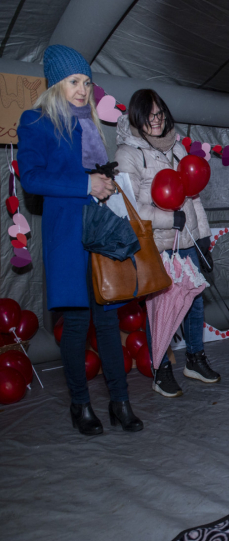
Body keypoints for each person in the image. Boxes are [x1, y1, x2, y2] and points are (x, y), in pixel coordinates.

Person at [17, 45, 142, 435]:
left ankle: (120, 402)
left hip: (98, 233)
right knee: (75, 327)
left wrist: (105, 181)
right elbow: (32, 178)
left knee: (106, 324)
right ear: (56, 83)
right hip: (67, 237)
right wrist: (84, 182)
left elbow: (93, 175)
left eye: (87, 82)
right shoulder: (36, 121)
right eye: (74, 81)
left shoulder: (90, 123)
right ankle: (80, 405)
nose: (83, 89)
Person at [115, 89, 219, 398]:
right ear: (137, 117)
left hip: (187, 241)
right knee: (160, 309)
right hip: (156, 246)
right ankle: (161, 370)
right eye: (149, 116)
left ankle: (195, 359)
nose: (157, 121)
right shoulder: (128, 154)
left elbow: (192, 197)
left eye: (160, 114)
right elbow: (128, 208)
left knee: (195, 300)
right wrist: (166, 220)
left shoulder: (176, 148)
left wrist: (203, 238)